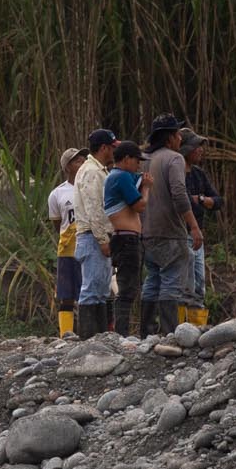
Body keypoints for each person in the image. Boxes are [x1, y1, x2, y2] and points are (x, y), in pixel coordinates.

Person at [138, 114, 193, 337]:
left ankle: (147, 333)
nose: (181, 138)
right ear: (170, 137)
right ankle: (169, 332)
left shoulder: (142, 159)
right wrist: (194, 226)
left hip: (145, 230)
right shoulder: (174, 159)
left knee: (153, 279)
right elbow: (179, 194)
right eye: (178, 134)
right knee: (171, 279)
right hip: (169, 230)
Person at [71, 127, 117, 337]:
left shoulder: (97, 170)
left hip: (94, 236)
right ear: (104, 147)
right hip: (92, 236)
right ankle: (89, 338)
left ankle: (98, 337)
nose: (114, 152)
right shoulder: (91, 172)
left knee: (100, 288)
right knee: (92, 289)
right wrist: (102, 239)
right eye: (112, 148)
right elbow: (94, 208)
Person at [101, 140, 147, 336]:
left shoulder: (115, 176)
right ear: (127, 159)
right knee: (127, 289)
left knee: (127, 286)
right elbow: (139, 205)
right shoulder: (121, 177)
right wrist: (147, 188)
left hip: (124, 237)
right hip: (127, 239)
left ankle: (122, 332)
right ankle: (122, 333)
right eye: (137, 160)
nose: (139, 165)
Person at [180, 128, 217, 328]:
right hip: (182, 234)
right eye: (196, 147)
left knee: (199, 285)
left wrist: (202, 199)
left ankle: (196, 330)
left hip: (197, 235)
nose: (200, 151)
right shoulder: (176, 173)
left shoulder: (199, 174)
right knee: (185, 286)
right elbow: (184, 202)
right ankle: (179, 331)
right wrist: (200, 202)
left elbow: (218, 201)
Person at [48, 146, 86, 336]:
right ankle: (66, 333)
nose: (82, 163)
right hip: (67, 250)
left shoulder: (91, 186)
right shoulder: (58, 194)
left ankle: (94, 331)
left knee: (91, 291)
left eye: (83, 160)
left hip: (88, 247)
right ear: (68, 167)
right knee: (66, 294)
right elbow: (57, 223)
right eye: (77, 161)